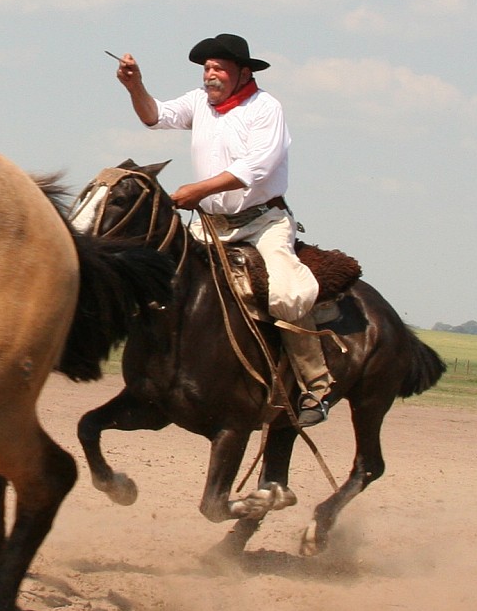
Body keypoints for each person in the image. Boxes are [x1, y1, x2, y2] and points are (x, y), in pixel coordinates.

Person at [112, 34, 335, 427]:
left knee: (287, 294)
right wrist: (135, 86)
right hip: (212, 226)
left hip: (263, 223)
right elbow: (155, 116)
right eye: (207, 69)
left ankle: (315, 387)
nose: (210, 75)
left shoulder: (265, 107)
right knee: (162, 279)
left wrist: (197, 190)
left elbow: (257, 168)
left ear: (243, 73)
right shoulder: (200, 101)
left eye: (219, 69)